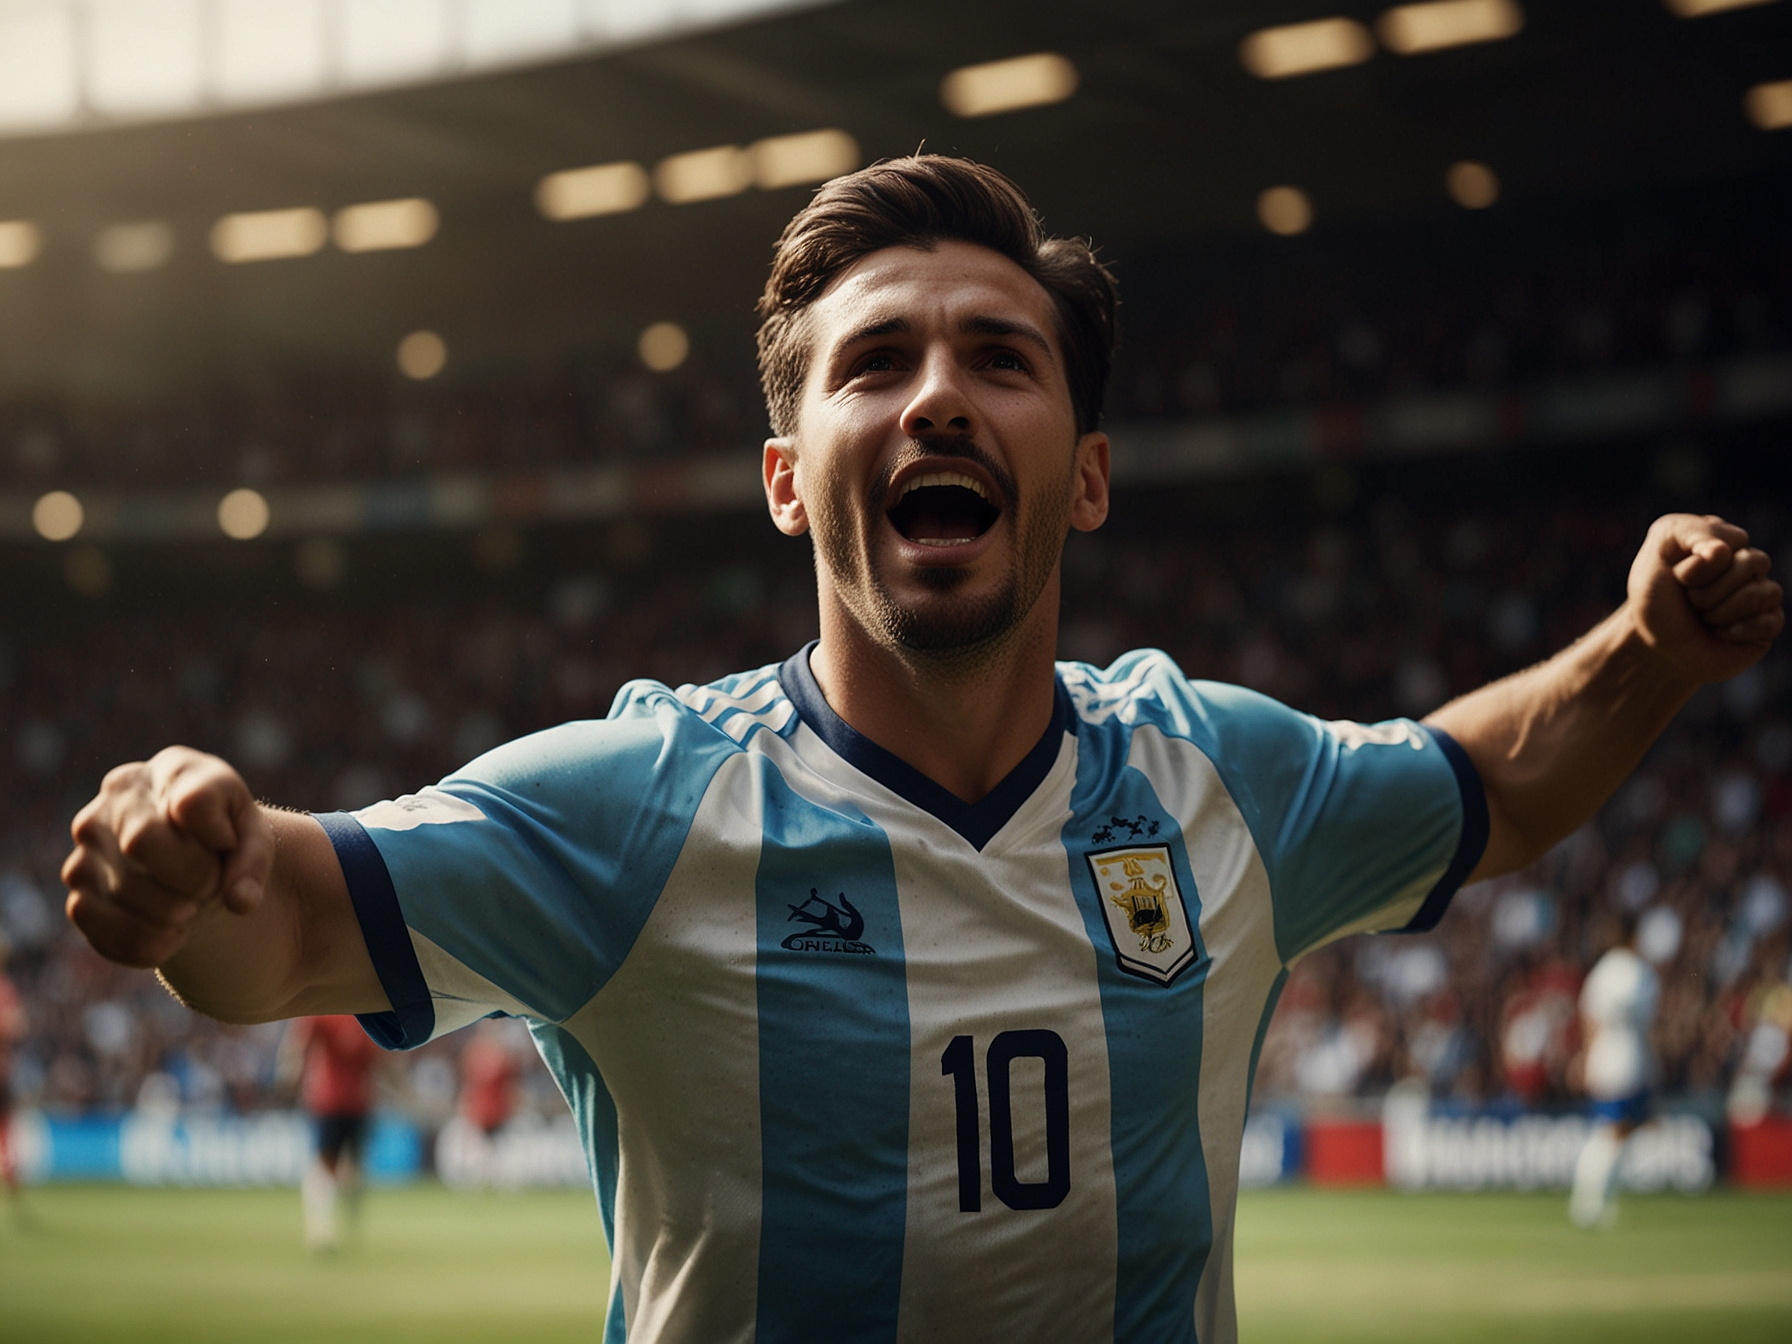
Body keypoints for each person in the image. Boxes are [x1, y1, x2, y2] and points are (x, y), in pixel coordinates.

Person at [59, 157, 1781, 1342]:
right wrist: (189, 857)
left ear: (1084, 474)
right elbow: (279, 923)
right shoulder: (633, 808)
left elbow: (1481, 788)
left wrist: (1642, 655)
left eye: (997, 358)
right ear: (790, 476)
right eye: (873, 362)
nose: (936, 396)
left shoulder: (1220, 780)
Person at [1568, 914, 1662, 1229]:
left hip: (1602, 1055)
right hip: (1629, 1056)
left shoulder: (1602, 971)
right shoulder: (1640, 972)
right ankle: (1590, 1201)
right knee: (1614, 1130)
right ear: (1635, 937)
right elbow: (1649, 1025)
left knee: (1616, 1128)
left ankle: (1596, 1198)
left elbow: (1588, 1017)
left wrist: (1586, 1057)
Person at [277, 1013, 381, 1251]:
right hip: (327, 1102)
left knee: (352, 1171)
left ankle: (346, 1217)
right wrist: (289, 1077)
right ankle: (320, 1230)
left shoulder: (366, 1014)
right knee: (325, 1165)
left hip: (359, 1104)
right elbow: (298, 1045)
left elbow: (379, 1063)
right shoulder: (324, 1013)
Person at [0, 932, 26, 1210]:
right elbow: (17, 1025)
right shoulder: (4, 989)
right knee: (5, 1128)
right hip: (2, 1074)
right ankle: (10, 1179)